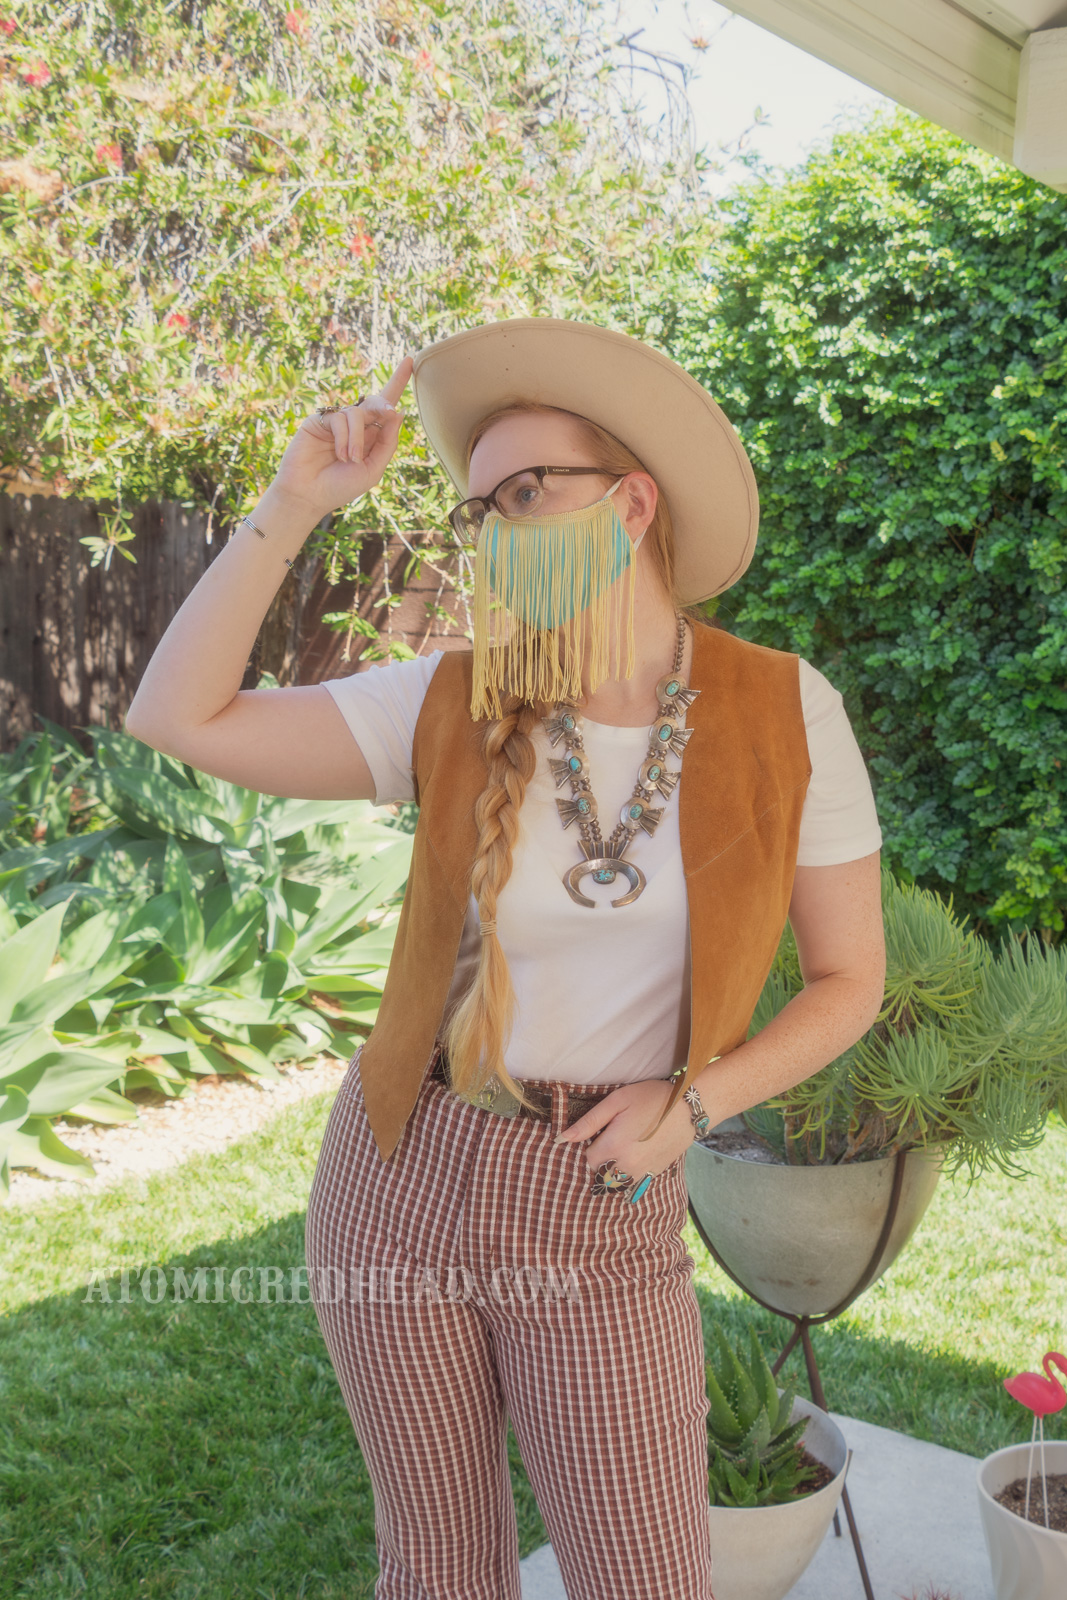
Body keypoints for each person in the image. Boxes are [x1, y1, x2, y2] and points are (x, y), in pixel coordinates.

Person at [125, 316, 886, 1600]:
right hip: (400, 1166)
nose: (493, 527)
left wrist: (693, 1105)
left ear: (631, 504)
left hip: (597, 1187)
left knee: (643, 1572)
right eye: (481, 507)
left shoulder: (780, 709)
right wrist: (292, 503)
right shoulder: (445, 698)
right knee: (436, 1572)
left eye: (527, 491)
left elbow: (846, 980)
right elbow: (174, 714)